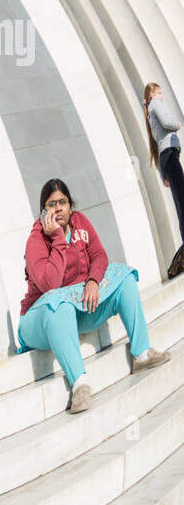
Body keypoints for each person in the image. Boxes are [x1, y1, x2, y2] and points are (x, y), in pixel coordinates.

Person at [17, 178, 171, 414]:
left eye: (62, 202)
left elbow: (99, 254)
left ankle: (141, 353)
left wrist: (92, 281)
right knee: (59, 304)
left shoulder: (80, 222)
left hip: (78, 306)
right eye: (51, 204)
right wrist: (57, 237)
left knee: (124, 278)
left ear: (70, 205)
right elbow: (51, 284)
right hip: (40, 318)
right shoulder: (36, 240)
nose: (58, 208)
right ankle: (80, 384)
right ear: (43, 210)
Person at [144, 83, 184, 275]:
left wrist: (162, 175)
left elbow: (156, 144)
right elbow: (168, 123)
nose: (161, 97)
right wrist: (177, 124)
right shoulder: (155, 105)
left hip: (166, 158)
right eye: (159, 93)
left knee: (181, 205)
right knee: (183, 204)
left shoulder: (149, 112)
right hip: (170, 156)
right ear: (152, 94)